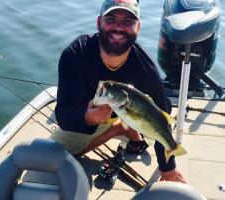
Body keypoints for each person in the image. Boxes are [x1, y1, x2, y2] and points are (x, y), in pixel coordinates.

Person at [53, 0, 186, 183]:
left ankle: (126, 127)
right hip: (86, 118)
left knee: (156, 115)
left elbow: (162, 121)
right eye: (111, 19)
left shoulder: (146, 69)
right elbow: (63, 114)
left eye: (128, 22)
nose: (118, 28)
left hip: (128, 115)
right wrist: (87, 117)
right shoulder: (76, 54)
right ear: (99, 22)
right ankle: (118, 130)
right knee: (54, 153)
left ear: (138, 27)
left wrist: (168, 169)